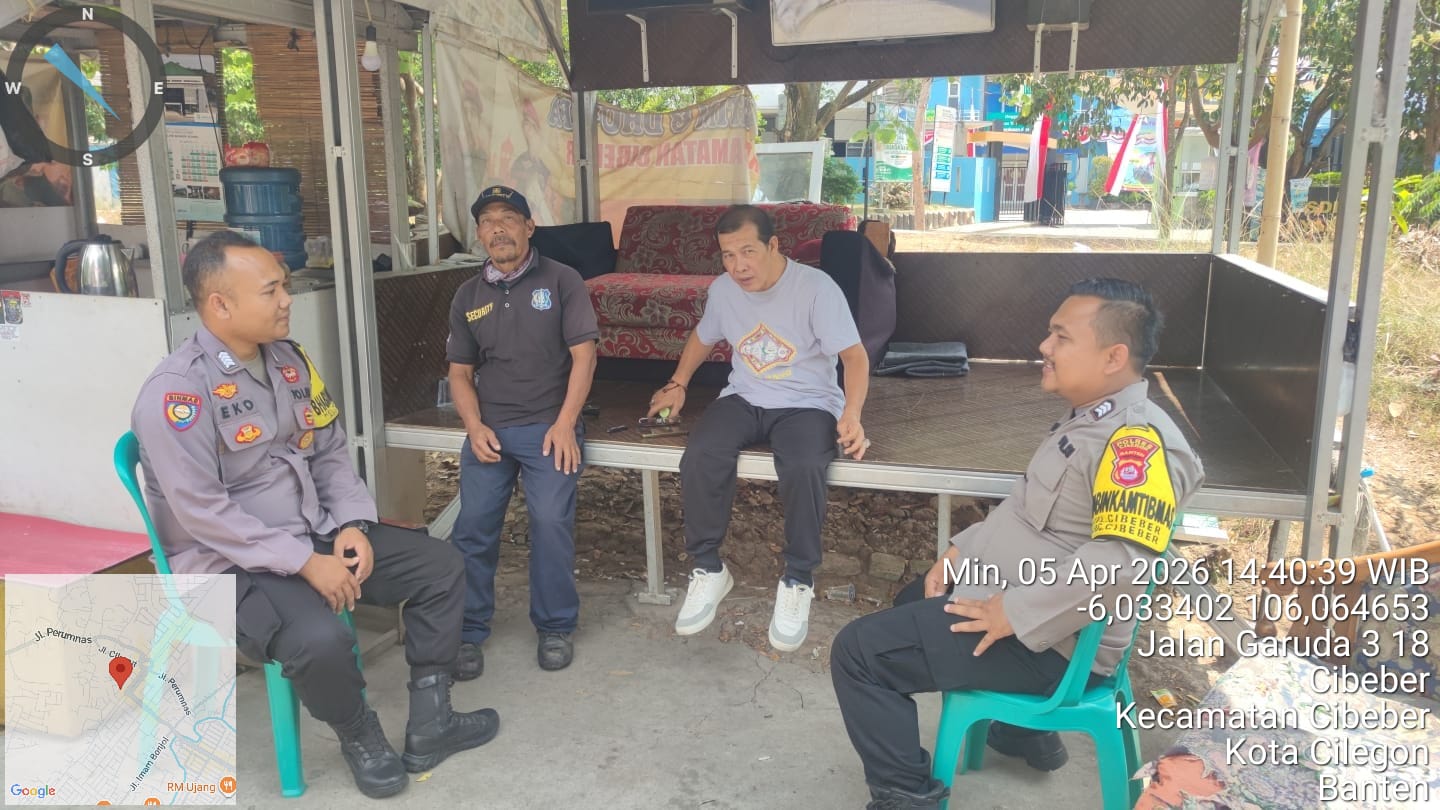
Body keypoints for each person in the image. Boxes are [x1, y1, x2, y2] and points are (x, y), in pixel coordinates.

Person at [131, 230, 499, 800]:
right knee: (320, 640)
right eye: (271, 291)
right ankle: (359, 735)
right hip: (229, 565)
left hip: (314, 531)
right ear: (220, 305)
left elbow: (327, 451)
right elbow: (203, 512)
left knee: (440, 567)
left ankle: (433, 722)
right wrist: (305, 562)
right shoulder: (177, 393)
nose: (287, 300)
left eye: (285, 286)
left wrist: (351, 523)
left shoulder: (291, 361)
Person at [831, 278, 1204, 809]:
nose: (1044, 346)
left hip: (1056, 644)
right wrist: (962, 550)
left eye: (1061, 337)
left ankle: (906, 799)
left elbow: (1120, 564)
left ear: (1113, 357)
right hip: (1029, 607)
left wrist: (1015, 612)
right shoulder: (1093, 418)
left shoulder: (1135, 442)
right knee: (911, 599)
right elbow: (1032, 516)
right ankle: (1023, 733)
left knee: (859, 653)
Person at [647, 204, 870, 653]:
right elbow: (703, 337)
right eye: (728, 255)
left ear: (773, 245)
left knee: (804, 464)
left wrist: (852, 413)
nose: (738, 266)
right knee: (701, 454)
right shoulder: (723, 290)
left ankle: (798, 579)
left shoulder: (816, 289)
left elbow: (854, 356)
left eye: (747, 251)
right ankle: (709, 569)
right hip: (745, 396)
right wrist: (677, 383)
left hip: (807, 403)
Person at [446, 185, 599, 677]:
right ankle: (467, 629)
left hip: (548, 427)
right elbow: (459, 372)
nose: (498, 229)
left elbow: (584, 356)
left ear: (529, 227)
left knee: (550, 521)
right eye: (488, 221)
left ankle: (555, 626)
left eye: (508, 218)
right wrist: (473, 426)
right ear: (479, 234)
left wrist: (566, 423)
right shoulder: (467, 295)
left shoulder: (562, 280)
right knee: (473, 526)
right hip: (490, 429)